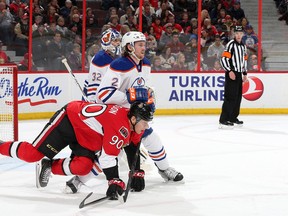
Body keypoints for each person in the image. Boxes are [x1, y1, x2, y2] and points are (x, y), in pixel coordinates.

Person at [0, 100, 153, 200]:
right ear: (134, 119)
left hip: (86, 135)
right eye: (145, 123)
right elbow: (107, 157)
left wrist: (137, 172)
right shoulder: (120, 126)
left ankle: (48, 165)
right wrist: (113, 180)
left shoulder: (133, 124)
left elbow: (133, 148)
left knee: (83, 166)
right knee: (32, 154)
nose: (147, 127)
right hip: (69, 120)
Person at [97, 31, 183, 181]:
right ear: (130, 47)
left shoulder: (146, 64)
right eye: (140, 45)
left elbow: (140, 88)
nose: (144, 48)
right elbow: (102, 94)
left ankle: (164, 169)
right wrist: (130, 97)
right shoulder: (119, 65)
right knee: (110, 151)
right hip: (116, 115)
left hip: (133, 114)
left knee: (152, 139)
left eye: (145, 44)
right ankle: (78, 179)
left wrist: (146, 97)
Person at [219, 26, 248, 129]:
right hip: (231, 73)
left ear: (243, 34)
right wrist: (229, 70)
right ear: (234, 34)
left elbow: (244, 61)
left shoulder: (243, 46)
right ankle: (223, 120)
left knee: (237, 97)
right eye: (237, 33)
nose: (239, 35)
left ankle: (232, 118)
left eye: (241, 33)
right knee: (230, 96)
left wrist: (244, 73)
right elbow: (223, 59)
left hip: (239, 74)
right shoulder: (230, 45)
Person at [83, 28, 122, 102]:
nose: (118, 43)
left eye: (119, 40)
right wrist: (92, 101)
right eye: (115, 41)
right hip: (95, 95)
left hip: (107, 94)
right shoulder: (100, 58)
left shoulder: (117, 57)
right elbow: (94, 83)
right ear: (107, 41)